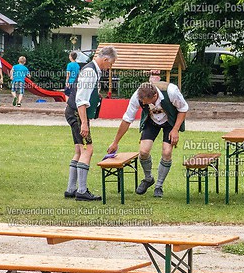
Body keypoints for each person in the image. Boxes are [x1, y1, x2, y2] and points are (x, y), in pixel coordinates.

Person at [107, 77, 188, 198]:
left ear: (155, 95)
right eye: (142, 102)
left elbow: (183, 109)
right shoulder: (137, 96)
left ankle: (159, 186)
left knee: (167, 152)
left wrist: (175, 129)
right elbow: (127, 119)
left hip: (170, 122)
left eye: (146, 102)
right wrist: (115, 142)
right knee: (143, 152)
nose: (143, 104)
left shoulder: (171, 91)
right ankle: (148, 178)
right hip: (151, 121)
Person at [64, 46, 117, 201]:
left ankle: (71, 189)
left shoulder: (93, 70)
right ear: (105, 59)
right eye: (110, 64)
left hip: (73, 112)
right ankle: (81, 191)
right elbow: (81, 100)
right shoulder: (90, 72)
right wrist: (84, 124)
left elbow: (85, 93)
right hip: (77, 114)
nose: (110, 67)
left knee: (79, 151)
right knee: (88, 150)